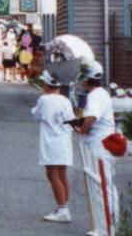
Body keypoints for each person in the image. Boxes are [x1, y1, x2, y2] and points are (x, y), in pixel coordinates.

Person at [30, 70, 73, 223]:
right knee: (62, 174)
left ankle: (62, 209)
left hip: (51, 141)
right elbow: (71, 120)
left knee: (52, 175)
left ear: (46, 84)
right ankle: (64, 206)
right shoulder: (65, 100)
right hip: (64, 140)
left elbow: (35, 115)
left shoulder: (44, 99)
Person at [77, 61, 116, 167]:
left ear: (86, 79)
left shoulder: (95, 96)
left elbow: (91, 118)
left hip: (98, 144)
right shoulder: (101, 93)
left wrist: (81, 130)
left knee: (100, 180)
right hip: (102, 142)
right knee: (99, 179)